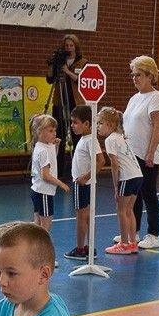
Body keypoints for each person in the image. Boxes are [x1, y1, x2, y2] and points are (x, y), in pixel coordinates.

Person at [123, 56, 159, 249]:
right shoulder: (134, 98)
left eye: (139, 75)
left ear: (150, 76)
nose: (135, 78)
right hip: (131, 155)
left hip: (146, 155)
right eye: (133, 75)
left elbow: (157, 127)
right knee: (135, 195)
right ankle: (135, 231)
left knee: (148, 193)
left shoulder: (156, 98)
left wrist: (150, 153)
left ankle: (153, 234)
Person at [96, 107, 142, 256]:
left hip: (127, 177)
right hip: (137, 176)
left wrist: (116, 186)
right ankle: (133, 243)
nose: (98, 127)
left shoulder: (110, 140)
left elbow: (115, 164)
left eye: (100, 123)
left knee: (121, 210)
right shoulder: (120, 137)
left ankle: (123, 244)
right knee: (129, 210)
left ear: (109, 124)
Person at [64, 106, 99, 261]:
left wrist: (86, 176)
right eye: (72, 122)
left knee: (81, 217)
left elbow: (100, 161)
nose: (72, 125)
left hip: (82, 184)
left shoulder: (90, 140)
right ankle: (89, 247)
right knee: (86, 216)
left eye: (75, 123)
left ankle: (80, 248)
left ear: (86, 124)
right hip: (84, 183)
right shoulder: (86, 139)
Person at [28, 114, 70, 235]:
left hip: (37, 190)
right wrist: (61, 183)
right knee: (45, 226)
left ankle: (34, 245)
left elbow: (51, 161)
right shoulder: (43, 150)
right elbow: (45, 175)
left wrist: (55, 147)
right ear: (40, 132)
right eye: (51, 131)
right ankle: (42, 247)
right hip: (44, 192)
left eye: (55, 130)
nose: (54, 133)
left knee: (37, 223)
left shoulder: (44, 146)